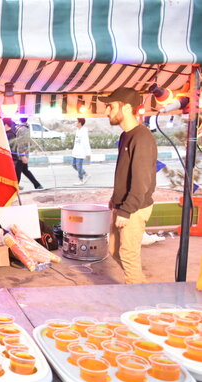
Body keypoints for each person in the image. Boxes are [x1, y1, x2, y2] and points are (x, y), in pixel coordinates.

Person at [99, 87, 157, 284]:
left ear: (126, 108)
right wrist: (116, 199)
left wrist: (126, 210)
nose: (107, 111)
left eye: (110, 106)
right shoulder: (126, 135)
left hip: (134, 207)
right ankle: (140, 284)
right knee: (115, 251)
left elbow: (142, 180)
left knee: (128, 255)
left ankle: (139, 303)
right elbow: (125, 172)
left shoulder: (142, 137)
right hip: (122, 204)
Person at [10, 118, 43, 190]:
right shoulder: (24, 128)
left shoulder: (22, 129)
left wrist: (22, 155)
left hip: (21, 154)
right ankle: (37, 185)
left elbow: (22, 142)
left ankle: (14, 188)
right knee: (25, 170)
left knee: (17, 171)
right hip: (23, 154)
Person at [71, 118, 91, 185]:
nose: (75, 123)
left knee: (79, 166)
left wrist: (88, 153)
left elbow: (86, 143)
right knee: (74, 165)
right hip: (75, 151)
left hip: (81, 152)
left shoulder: (84, 131)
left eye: (76, 121)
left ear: (79, 123)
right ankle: (86, 174)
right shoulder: (77, 130)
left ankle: (81, 180)